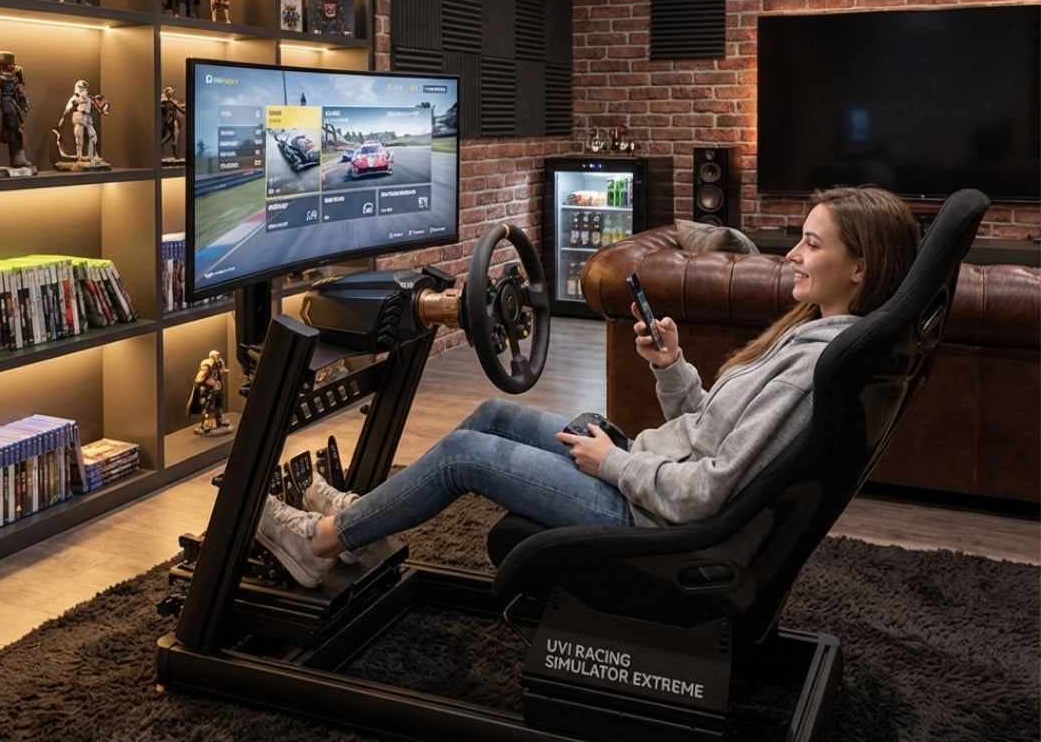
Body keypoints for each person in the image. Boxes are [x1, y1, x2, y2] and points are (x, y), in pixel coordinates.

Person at [257, 185, 920, 588]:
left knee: (464, 456)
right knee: (492, 413)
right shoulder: (814, 335)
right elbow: (713, 431)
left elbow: (709, 492)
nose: (793, 255)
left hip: (652, 519)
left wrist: (613, 463)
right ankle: (363, 520)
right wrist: (671, 366)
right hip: (650, 477)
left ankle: (319, 543)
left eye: (811, 245)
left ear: (859, 268)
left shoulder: (815, 366)